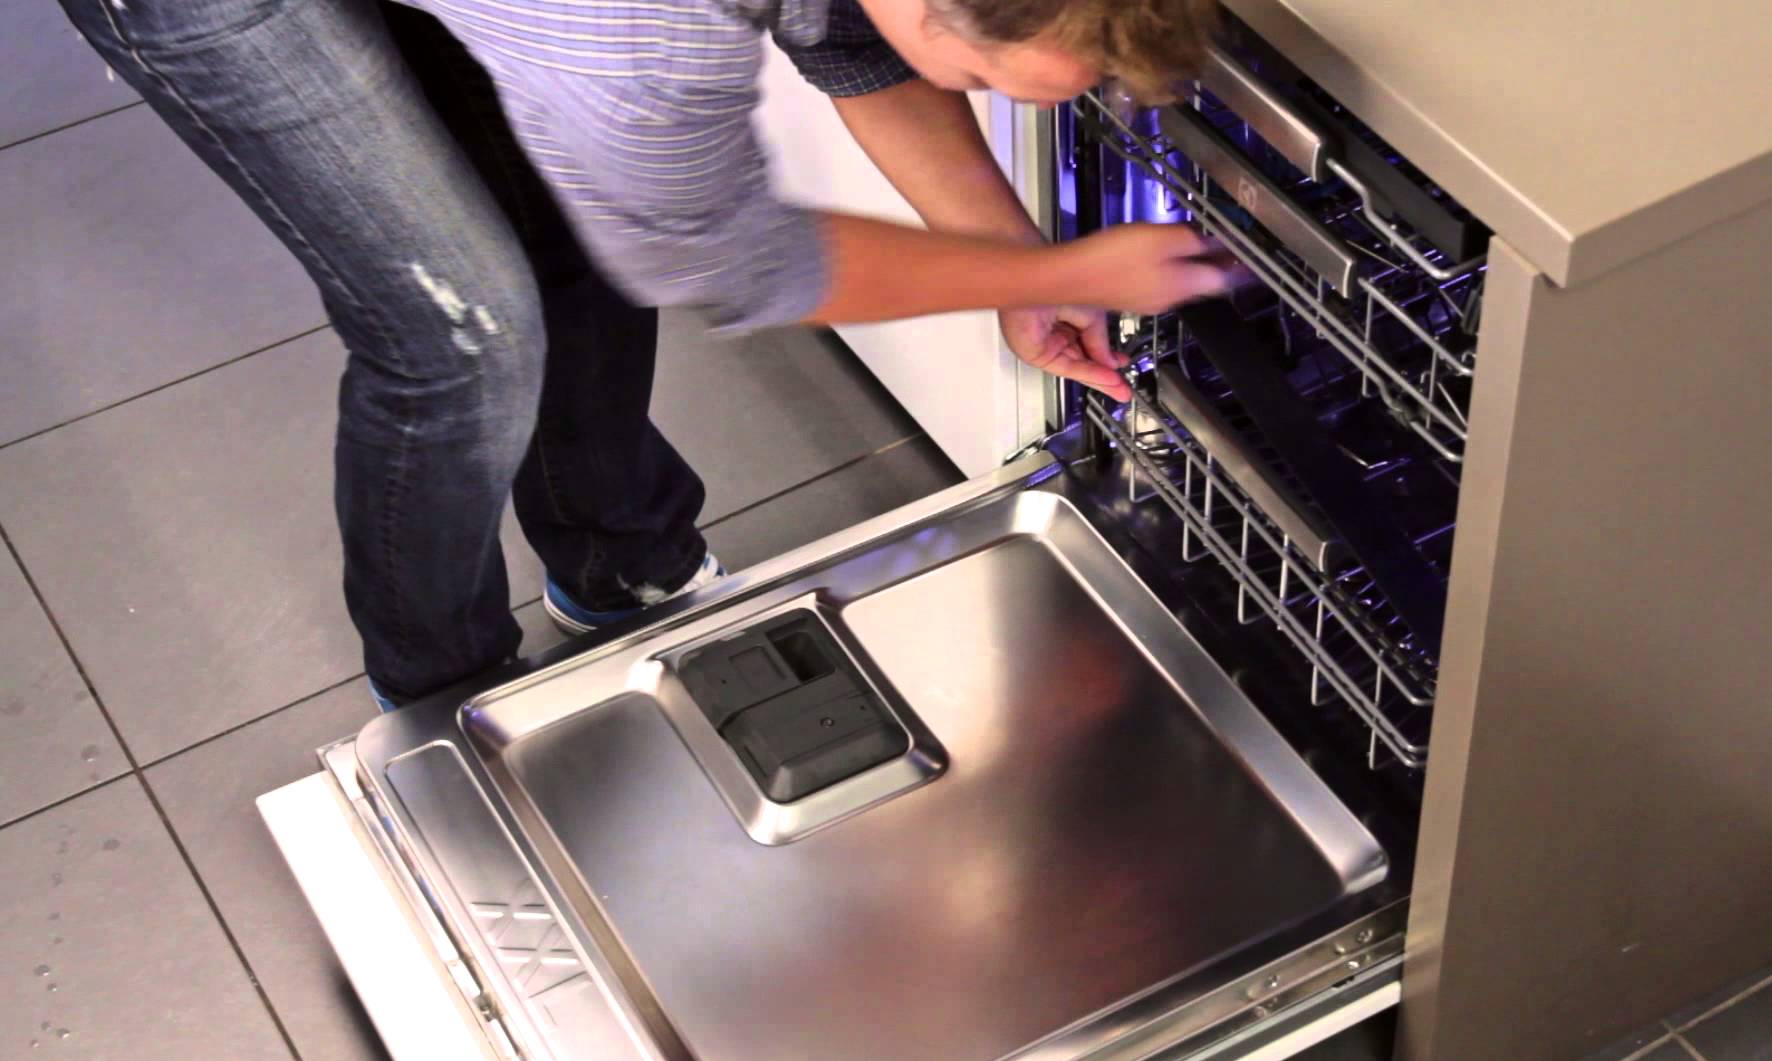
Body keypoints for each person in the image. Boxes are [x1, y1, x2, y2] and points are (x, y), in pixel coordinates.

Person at [63, 0, 1232, 709]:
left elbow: (860, 43)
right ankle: (442, 687)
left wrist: (1007, 259)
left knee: (573, 221)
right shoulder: (642, 35)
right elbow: (717, 257)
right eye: (981, 80)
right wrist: (1050, 279)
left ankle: (618, 563)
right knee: (464, 333)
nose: (974, 95)